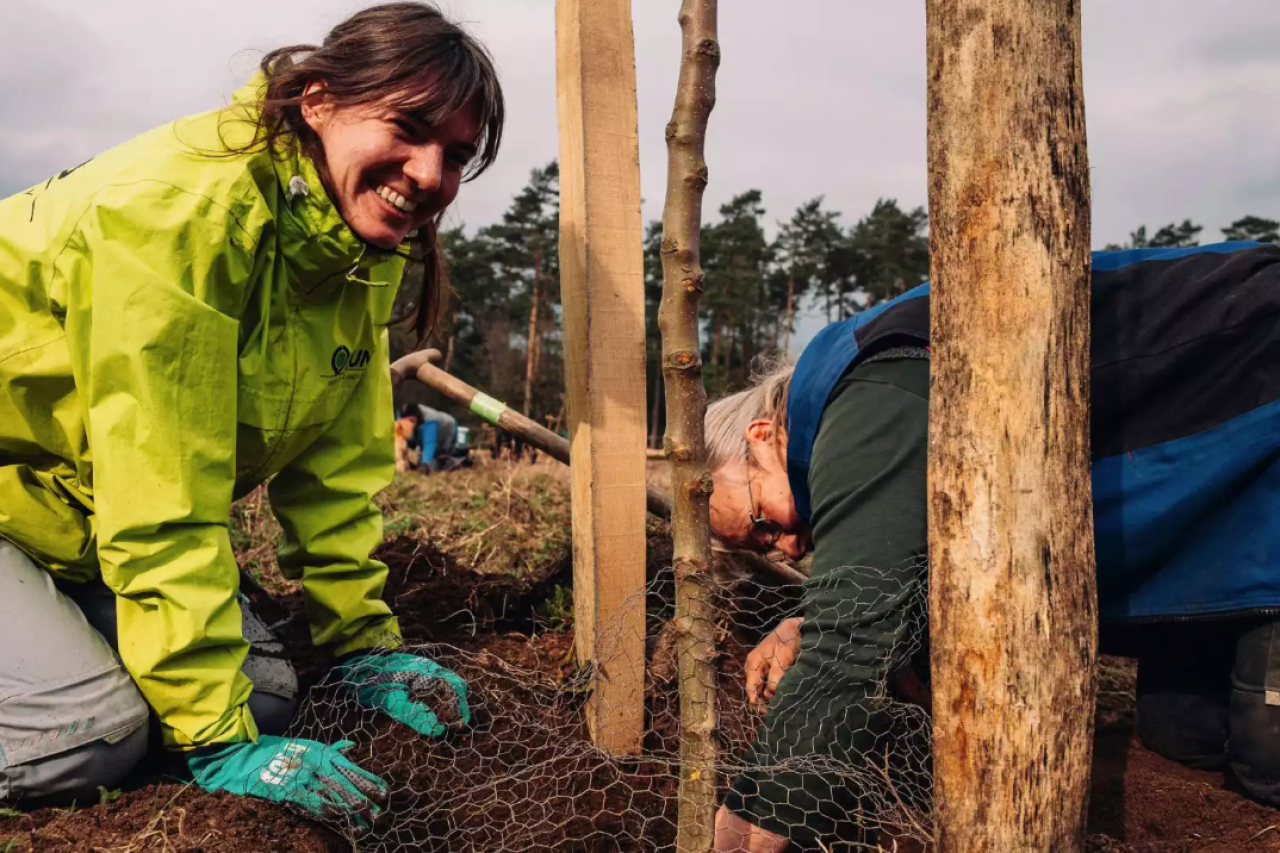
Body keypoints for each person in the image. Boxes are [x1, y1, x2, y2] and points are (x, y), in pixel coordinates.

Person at [0, 2, 503, 827]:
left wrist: (360, 646)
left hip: (59, 509)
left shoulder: (354, 244)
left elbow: (333, 474)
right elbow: (162, 495)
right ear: (317, 100)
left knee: (266, 699)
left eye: (454, 154)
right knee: (87, 743)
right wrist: (214, 737)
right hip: (33, 495)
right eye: (408, 128)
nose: (426, 173)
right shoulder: (173, 220)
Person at [706, 243, 1280, 852]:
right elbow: (942, 568)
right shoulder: (856, 392)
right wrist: (810, 618)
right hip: (1210, 507)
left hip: (1253, 377)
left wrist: (755, 819)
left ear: (763, 438)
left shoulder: (868, 398)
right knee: (1182, 733)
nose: (787, 549)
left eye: (763, 523)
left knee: (1266, 759)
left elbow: (853, 635)